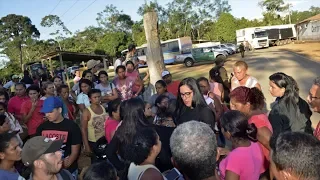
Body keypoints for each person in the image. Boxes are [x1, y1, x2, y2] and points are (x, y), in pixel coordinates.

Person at [229, 86, 272, 174]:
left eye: (235, 105)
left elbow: (273, 147)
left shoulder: (256, 123)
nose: (232, 108)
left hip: (260, 172)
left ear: (247, 105)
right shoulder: (250, 117)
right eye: (231, 104)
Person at [36, 97, 82, 177]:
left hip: (68, 170)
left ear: (60, 110)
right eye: (45, 112)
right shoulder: (42, 128)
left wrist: (67, 163)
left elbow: (75, 150)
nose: (47, 115)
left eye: (50, 112)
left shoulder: (72, 126)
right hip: (48, 170)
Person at [217, 110, 263, 180]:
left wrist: (212, 165)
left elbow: (238, 161)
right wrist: (230, 153)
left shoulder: (234, 158)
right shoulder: (254, 144)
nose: (221, 131)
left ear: (228, 133)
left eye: (222, 128)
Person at [107, 98, 150, 171]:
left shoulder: (122, 128)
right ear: (140, 111)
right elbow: (110, 152)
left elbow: (109, 152)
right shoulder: (148, 129)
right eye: (144, 108)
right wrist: (122, 168)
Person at [81, 89, 107, 163]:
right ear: (90, 99)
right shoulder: (87, 112)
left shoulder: (102, 107)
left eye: (99, 97)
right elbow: (83, 129)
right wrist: (86, 145)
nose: (97, 99)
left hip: (104, 139)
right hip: (94, 142)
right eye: (95, 97)